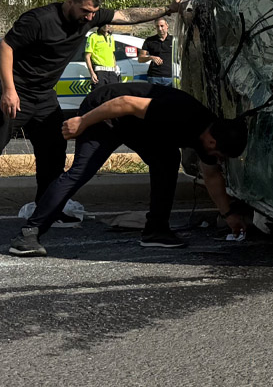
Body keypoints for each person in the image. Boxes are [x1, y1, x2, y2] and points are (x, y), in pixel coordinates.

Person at [0, 0, 188, 226]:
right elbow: (6, 46)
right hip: (16, 92)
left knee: (54, 151)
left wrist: (168, 8)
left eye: (93, 13)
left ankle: (46, 210)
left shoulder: (90, 17)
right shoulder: (39, 19)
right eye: (85, 11)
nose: (89, 17)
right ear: (69, 1)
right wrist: (8, 90)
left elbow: (128, 15)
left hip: (44, 96)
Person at [7, 82, 249, 256]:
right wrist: (82, 121)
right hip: (105, 110)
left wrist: (229, 215)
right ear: (212, 142)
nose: (216, 159)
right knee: (82, 171)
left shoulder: (211, 135)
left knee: (166, 159)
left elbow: (212, 176)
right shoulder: (180, 112)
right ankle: (28, 233)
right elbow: (125, 103)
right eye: (218, 154)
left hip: (135, 125)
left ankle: (156, 231)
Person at [137, 18, 174, 86]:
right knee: (153, 97)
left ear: (167, 26)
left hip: (170, 76)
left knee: (169, 97)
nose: (160, 28)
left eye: (162, 26)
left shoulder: (174, 40)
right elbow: (140, 59)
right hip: (154, 76)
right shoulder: (149, 40)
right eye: (157, 26)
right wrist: (151, 57)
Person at [85, 24, 119, 89]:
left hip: (111, 72)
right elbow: (87, 56)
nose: (107, 26)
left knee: (114, 96)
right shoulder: (93, 36)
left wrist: (115, 67)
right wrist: (92, 73)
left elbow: (112, 54)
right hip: (99, 72)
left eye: (108, 24)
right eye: (104, 24)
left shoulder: (111, 37)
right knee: (99, 96)